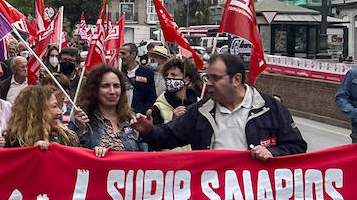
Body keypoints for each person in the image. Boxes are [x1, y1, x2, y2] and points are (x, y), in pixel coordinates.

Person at [130, 53, 307, 158]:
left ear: (236, 79)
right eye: (207, 78)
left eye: (215, 78)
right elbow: (169, 135)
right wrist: (149, 130)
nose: (209, 83)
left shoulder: (269, 108)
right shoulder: (202, 111)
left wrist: (272, 153)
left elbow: (297, 147)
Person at [73, 64, 146, 157]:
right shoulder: (81, 119)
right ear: (94, 90)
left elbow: (143, 157)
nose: (112, 91)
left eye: (116, 86)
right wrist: (80, 131)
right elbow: (69, 154)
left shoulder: (132, 120)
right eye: (105, 86)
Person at [4, 84, 80, 150]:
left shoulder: (66, 139)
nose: (59, 112)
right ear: (38, 112)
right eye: (54, 106)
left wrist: (81, 128)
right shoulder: (15, 142)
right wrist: (33, 152)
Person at [151, 57, 201, 126]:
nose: (168, 78)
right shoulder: (159, 107)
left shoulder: (198, 104)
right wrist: (173, 122)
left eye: (173, 75)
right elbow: (156, 135)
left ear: (186, 80)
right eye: (166, 75)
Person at [119, 43, 159, 115]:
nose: (121, 56)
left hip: (139, 116)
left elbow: (151, 97)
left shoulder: (147, 72)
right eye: (120, 53)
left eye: (123, 53)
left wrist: (143, 113)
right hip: (120, 116)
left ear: (133, 54)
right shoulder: (118, 72)